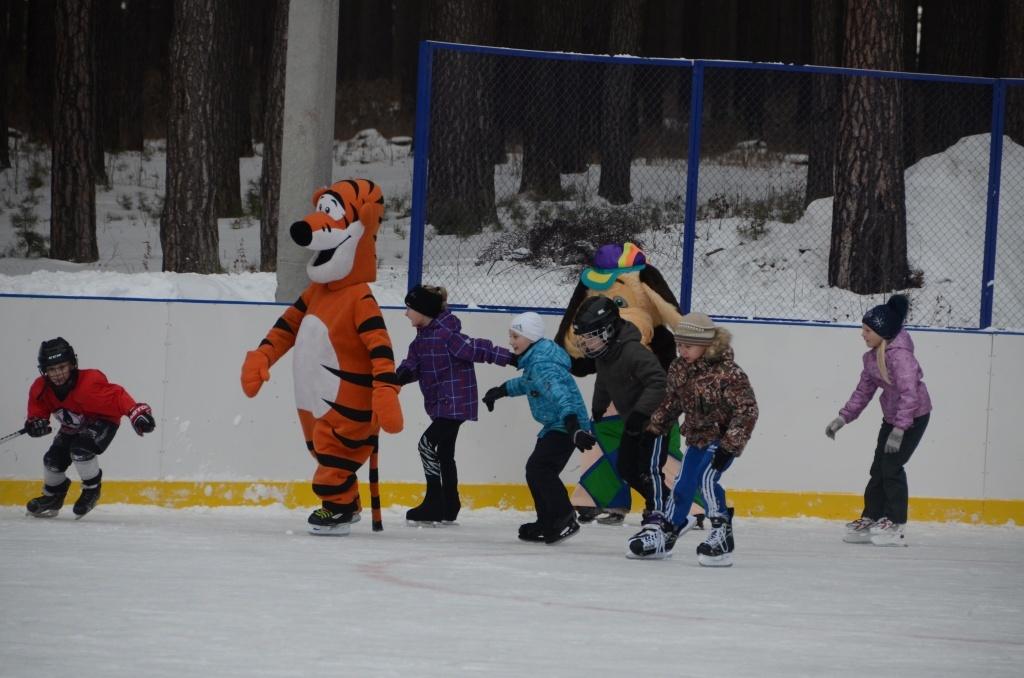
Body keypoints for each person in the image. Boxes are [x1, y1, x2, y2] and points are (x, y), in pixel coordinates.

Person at [633, 313, 758, 566]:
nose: (682, 351)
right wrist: (653, 428)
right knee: (682, 485)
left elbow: (747, 410)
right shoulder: (680, 368)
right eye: (679, 345)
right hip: (697, 438)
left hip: (722, 440)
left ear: (706, 344)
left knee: (707, 479)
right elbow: (672, 402)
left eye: (687, 346)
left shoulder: (729, 373)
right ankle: (667, 532)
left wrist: (730, 445)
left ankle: (721, 532)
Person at [396, 284, 515, 525]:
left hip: (456, 403)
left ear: (423, 311)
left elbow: (479, 349)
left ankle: (433, 502)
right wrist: (396, 378)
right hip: (441, 405)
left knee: (426, 445)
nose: (405, 313)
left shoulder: (446, 335)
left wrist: (513, 358)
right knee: (444, 453)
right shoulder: (421, 340)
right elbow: (412, 365)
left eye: (409, 308)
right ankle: (450, 505)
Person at [825, 294, 931, 547]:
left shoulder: (901, 357)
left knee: (892, 468)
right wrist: (843, 417)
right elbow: (863, 391)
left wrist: (899, 430)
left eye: (868, 330)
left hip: (912, 417)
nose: (863, 334)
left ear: (883, 332)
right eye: (863, 329)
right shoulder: (873, 357)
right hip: (893, 417)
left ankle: (895, 523)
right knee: (878, 468)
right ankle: (872, 516)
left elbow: (910, 394)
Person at [481, 312, 595, 544]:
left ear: (531, 337)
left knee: (539, 468)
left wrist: (574, 429)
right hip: (557, 425)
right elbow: (527, 383)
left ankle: (564, 517)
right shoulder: (536, 361)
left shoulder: (542, 365)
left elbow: (563, 397)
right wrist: (501, 390)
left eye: (516, 336)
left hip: (566, 425)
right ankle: (547, 521)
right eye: (510, 335)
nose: (511, 341)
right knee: (536, 471)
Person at [23, 337, 156, 519]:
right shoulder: (40, 388)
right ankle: (54, 496)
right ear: (44, 371)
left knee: (80, 450)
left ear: (72, 365)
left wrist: (136, 412)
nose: (58, 374)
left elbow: (117, 396)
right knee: (52, 460)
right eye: (52, 369)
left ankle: (92, 489)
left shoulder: (89, 384)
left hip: (103, 421)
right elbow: (37, 413)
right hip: (73, 425)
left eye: (62, 367)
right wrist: (35, 423)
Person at [571, 295, 670, 525]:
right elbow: (604, 382)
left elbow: (659, 382)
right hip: (633, 424)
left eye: (590, 337)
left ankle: (657, 509)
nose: (587, 343)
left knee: (649, 470)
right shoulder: (604, 355)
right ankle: (664, 499)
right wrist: (598, 408)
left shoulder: (633, 352)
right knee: (626, 468)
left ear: (608, 330)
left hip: (654, 424)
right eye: (584, 338)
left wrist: (640, 413)